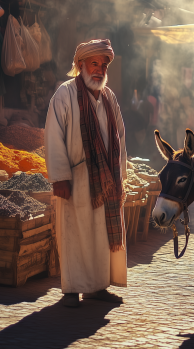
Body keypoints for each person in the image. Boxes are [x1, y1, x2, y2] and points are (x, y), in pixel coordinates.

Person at [45, 39, 127, 308]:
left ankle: (97, 286)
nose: (100, 70)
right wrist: (60, 177)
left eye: (103, 65)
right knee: (74, 235)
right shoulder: (64, 94)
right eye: (94, 64)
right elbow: (54, 136)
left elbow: (120, 139)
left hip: (104, 182)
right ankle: (71, 290)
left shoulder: (109, 97)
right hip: (76, 180)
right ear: (80, 65)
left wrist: (120, 177)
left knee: (100, 236)